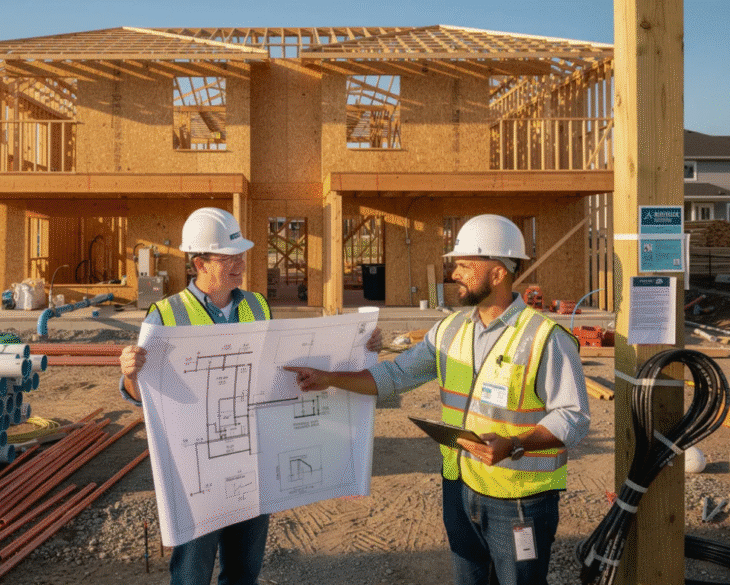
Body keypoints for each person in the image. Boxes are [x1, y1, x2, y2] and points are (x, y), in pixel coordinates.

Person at [285, 214, 589, 585]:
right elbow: (395, 376)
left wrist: (514, 445)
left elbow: (573, 416)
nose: (455, 273)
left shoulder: (545, 338)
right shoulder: (449, 330)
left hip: (519, 501)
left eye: (465, 265)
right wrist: (329, 379)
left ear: (497, 274)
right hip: (459, 489)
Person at [120, 206, 381, 585]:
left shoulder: (256, 305)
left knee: (244, 571)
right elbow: (140, 395)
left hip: (255, 458)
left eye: (241, 255)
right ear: (200, 263)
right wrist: (131, 374)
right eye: (228, 257)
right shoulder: (165, 315)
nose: (240, 263)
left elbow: (283, 366)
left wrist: (361, 344)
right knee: (192, 573)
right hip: (199, 468)